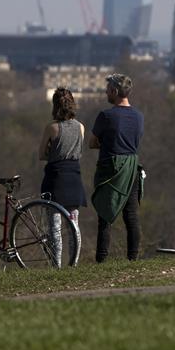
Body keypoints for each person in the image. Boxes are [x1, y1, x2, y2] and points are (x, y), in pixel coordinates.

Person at [89, 73, 144, 262]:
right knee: (131, 216)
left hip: (110, 168)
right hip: (131, 168)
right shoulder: (139, 116)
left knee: (105, 214)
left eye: (107, 90)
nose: (105, 92)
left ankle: (102, 259)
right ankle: (132, 258)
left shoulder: (106, 116)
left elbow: (92, 142)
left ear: (114, 91)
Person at [38, 87, 86, 266]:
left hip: (55, 179)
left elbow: (42, 154)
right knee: (73, 225)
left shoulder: (52, 128)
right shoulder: (81, 127)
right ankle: (74, 264)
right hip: (74, 177)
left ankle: (56, 264)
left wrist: (53, 152)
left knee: (55, 227)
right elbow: (79, 152)